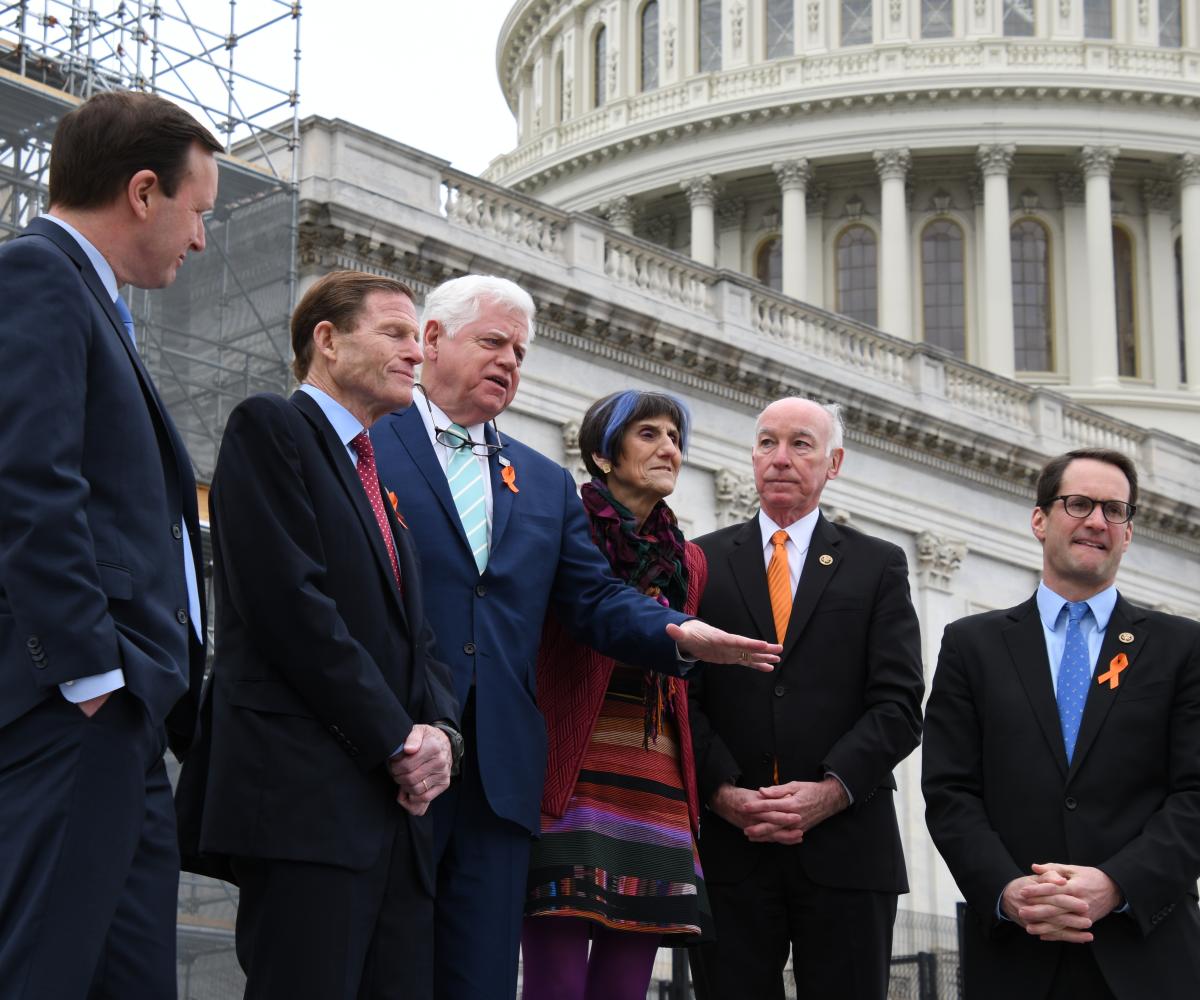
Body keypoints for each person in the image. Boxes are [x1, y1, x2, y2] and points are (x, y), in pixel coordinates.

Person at [370, 274, 779, 1000]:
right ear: (431, 341)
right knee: (381, 968)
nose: (509, 362)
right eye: (493, 342)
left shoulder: (539, 481)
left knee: (480, 980)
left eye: (521, 352)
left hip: (499, 778)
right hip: (388, 753)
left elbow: (593, 597)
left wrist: (681, 633)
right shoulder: (367, 441)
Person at [175, 271, 462, 1000]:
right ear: (328, 342)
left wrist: (441, 739)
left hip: (397, 820)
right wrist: (398, 740)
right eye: (395, 333)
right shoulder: (271, 429)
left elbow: (418, 641)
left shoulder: (379, 482)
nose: (416, 353)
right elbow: (291, 611)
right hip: (307, 806)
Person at [0, 90, 217, 999]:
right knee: (45, 970)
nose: (201, 239)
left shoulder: (90, 297)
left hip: (126, 716)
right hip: (79, 705)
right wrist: (88, 672)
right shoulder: (36, 274)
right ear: (141, 191)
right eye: (198, 211)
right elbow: (27, 480)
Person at [922, 449, 1200, 1000]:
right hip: (1015, 953)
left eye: (1115, 510)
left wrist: (1116, 883)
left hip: (1147, 952)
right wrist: (1008, 889)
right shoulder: (970, 645)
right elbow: (950, 791)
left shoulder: (1182, 647)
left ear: (1128, 532)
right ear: (1039, 519)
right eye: (1079, 504)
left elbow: (1194, 793)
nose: (1097, 521)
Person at [686, 396, 925, 1000]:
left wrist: (831, 790)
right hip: (729, 847)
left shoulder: (877, 565)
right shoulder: (701, 561)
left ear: (833, 462)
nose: (781, 459)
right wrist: (721, 792)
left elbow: (898, 704)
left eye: (800, 444)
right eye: (767, 443)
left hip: (846, 847)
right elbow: (680, 694)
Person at [522, 390, 712, 1000]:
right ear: (604, 456)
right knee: (555, 978)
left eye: (675, 438)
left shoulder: (690, 561)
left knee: (626, 985)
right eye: (649, 434)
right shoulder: (557, 522)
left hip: (655, 784)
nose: (669, 450)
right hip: (566, 771)